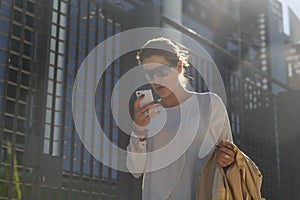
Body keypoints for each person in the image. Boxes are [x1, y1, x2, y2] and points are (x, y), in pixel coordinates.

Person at [126, 37, 236, 200]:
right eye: (149, 73)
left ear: (178, 66)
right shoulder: (149, 115)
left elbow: (230, 157)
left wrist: (227, 158)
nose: (155, 79)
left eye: (161, 71)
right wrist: (138, 129)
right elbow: (135, 170)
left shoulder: (209, 104)